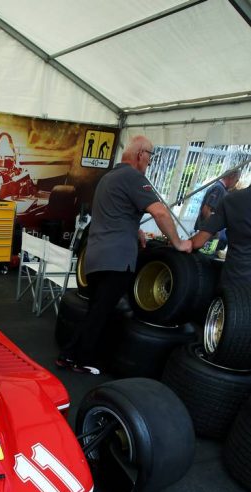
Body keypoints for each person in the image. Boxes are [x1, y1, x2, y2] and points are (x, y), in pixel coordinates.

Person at [56, 135, 192, 374]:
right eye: (150, 156)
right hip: (116, 259)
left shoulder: (108, 177)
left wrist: (136, 229)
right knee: (101, 313)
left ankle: (68, 355)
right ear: (140, 154)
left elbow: (113, 211)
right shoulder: (134, 177)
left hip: (96, 255)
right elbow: (160, 213)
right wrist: (178, 243)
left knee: (97, 309)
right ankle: (81, 360)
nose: (150, 162)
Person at [191, 183, 251, 285]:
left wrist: (180, 243)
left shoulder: (232, 199)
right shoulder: (225, 194)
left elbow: (197, 242)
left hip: (235, 277)